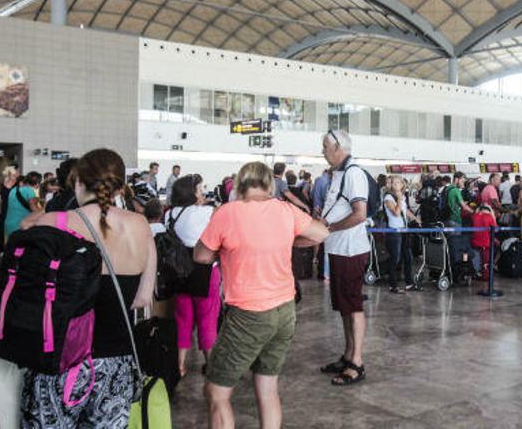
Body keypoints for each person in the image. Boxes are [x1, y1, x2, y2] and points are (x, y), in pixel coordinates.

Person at [21, 148, 156, 428]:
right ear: (120, 186)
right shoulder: (140, 225)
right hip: (116, 364)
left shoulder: (53, 223)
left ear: (78, 181)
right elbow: (142, 298)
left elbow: (29, 297)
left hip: (59, 363)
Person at [194, 162, 328, 429]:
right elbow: (321, 233)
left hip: (248, 314)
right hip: (285, 311)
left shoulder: (227, 212)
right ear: (269, 185)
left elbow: (201, 255)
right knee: (267, 386)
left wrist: (226, 250)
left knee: (216, 392)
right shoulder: (285, 210)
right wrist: (286, 241)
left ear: (238, 185)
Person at [319, 129, 371, 387]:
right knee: (344, 307)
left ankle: (357, 363)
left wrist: (329, 228)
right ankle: (348, 354)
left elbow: (359, 214)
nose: (323, 151)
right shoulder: (339, 174)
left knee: (353, 307)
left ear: (339, 147)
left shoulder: (354, 173)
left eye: (326, 146)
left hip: (350, 249)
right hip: (338, 249)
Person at [164, 175, 220, 378]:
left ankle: (180, 365)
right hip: (204, 269)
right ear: (192, 192)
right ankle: (211, 364)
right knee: (207, 319)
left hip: (178, 270)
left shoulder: (170, 213)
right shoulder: (207, 212)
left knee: (183, 319)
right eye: (199, 189)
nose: (202, 192)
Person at [382, 175, 418, 293]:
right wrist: (398, 199)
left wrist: (415, 219)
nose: (397, 185)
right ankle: (393, 285)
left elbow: (404, 210)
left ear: (403, 184)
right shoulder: (388, 197)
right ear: (391, 185)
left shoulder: (402, 196)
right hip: (394, 231)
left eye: (399, 182)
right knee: (395, 258)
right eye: (394, 183)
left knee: (408, 257)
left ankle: (409, 283)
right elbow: (396, 213)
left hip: (404, 230)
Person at [4, 171, 42, 240]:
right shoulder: (30, 191)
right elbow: (34, 210)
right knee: (22, 248)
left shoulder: (14, 190)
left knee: (13, 247)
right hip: (21, 225)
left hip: (9, 224)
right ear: (37, 183)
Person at [0, 165, 20, 257]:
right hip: (15, 210)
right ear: (14, 175)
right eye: (17, 173)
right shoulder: (18, 185)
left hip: (4, 210)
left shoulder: (1, 185)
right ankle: (13, 250)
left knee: (2, 230)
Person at [312, 168, 332, 280]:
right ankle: (325, 272)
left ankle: (316, 260)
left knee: (318, 240)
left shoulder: (317, 180)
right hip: (325, 216)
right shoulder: (329, 183)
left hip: (317, 214)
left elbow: (313, 197)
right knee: (327, 244)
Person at [470, 204, 497, 280]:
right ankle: (486, 275)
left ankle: (476, 273)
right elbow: (495, 229)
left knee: (476, 260)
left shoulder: (474, 216)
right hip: (486, 244)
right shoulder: (489, 217)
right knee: (486, 262)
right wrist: (493, 214)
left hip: (474, 243)